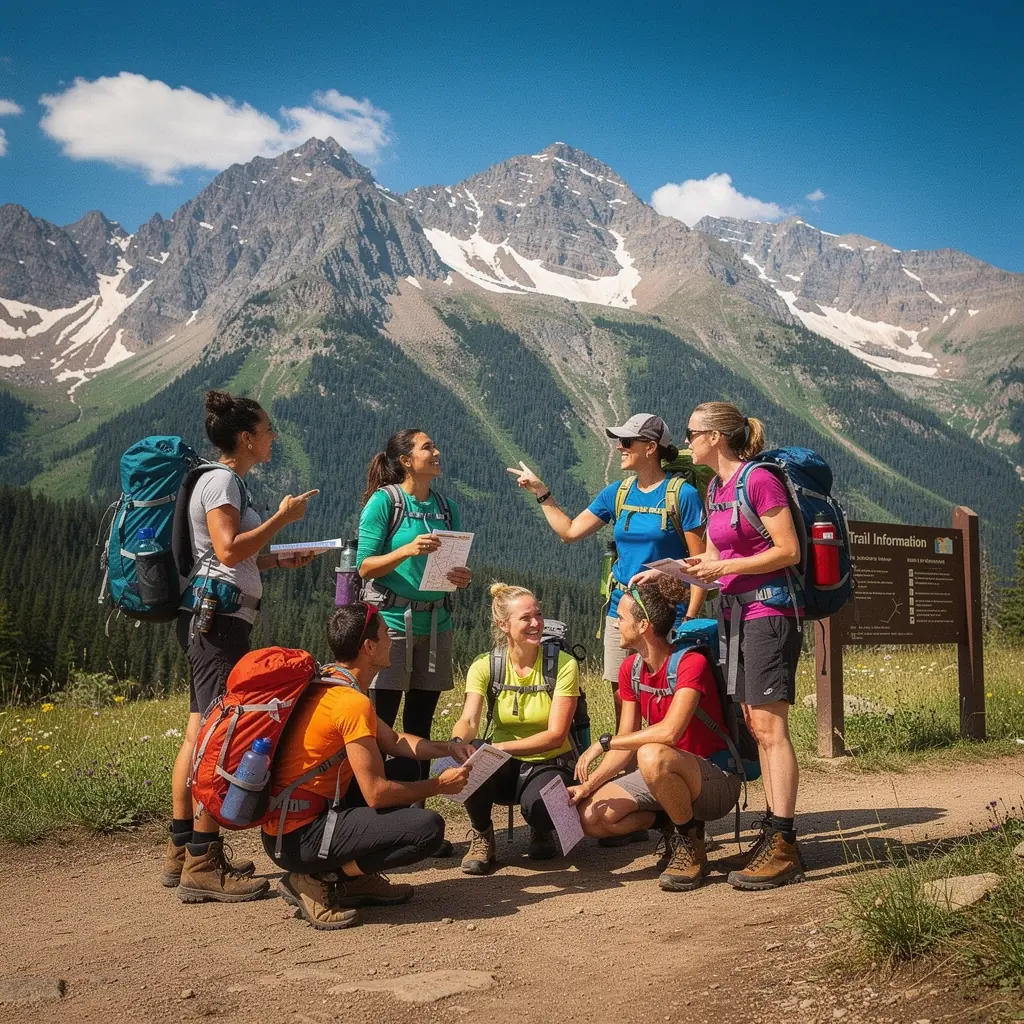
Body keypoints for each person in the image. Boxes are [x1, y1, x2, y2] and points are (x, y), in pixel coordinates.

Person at [166, 390, 319, 902]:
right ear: (247, 438)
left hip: (211, 618)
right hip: (219, 623)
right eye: (268, 429)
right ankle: (203, 861)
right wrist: (283, 519)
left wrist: (276, 560)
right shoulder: (224, 481)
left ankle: (182, 846)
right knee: (221, 734)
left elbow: (232, 556)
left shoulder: (222, 482)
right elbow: (228, 548)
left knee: (197, 733)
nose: (274, 436)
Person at [263, 603, 472, 929]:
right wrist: (439, 786)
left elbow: (395, 742)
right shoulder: (352, 702)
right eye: (388, 634)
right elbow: (376, 794)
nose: (393, 641)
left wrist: (450, 747)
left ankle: (355, 879)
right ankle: (321, 878)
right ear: (369, 646)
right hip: (300, 840)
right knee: (428, 830)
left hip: (291, 824)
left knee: (406, 767)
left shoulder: (332, 682)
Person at [507, 414, 706, 723]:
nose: (619, 447)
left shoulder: (683, 495)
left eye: (627, 442)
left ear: (651, 447)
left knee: (667, 690)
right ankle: (626, 759)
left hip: (668, 611)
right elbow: (570, 532)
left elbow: (699, 564)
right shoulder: (617, 493)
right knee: (623, 694)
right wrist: (541, 493)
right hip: (622, 610)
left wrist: (690, 619)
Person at [679, 401, 804, 889]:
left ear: (715, 437)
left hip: (769, 614)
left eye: (691, 432)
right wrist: (686, 571)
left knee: (771, 729)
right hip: (735, 614)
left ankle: (785, 843)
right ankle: (775, 832)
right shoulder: (715, 489)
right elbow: (715, 557)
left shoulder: (758, 480)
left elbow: (788, 550)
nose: (685, 440)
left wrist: (725, 568)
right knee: (755, 722)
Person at [568, 577, 743, 892]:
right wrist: (589, 786)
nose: (617, 624)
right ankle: (673, 825)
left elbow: (670, 733)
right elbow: (625, 748)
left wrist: (603, 743)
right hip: (664, 773)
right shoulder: (631, 670)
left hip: (715, 780)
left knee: (651, 752)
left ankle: (691, 847)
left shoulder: (692, 663)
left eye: (621, 618)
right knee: (592, 818)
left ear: (643, 625)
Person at [357, 430, 472, 789]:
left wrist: (461, 577)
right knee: (383, 722)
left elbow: (449, 566)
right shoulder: (384, 503)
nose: (437, 452)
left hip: (437, 622)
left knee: (421, 721)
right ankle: (374, 807)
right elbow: (364, 566)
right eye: (428, 448)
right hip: (390, 624)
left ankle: (416, 808)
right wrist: (405, 551)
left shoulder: (447, 507)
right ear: (406, 461)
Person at [449, 582, 580, 874]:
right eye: (526, 618)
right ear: (503, 625)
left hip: (551, 761)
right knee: (470, 758)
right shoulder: (485, 665)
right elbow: (469, 719)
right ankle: (482, 835)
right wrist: (458, 741)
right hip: (506, 764)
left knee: (540, 808)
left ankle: (541, 828)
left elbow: (555, 735)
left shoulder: (564, 665)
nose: (536, 623)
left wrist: (499, 748)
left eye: (539, 615)